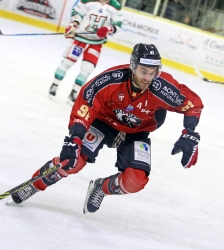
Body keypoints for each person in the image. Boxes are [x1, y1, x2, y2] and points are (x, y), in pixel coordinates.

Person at [11, 43, 203, 214]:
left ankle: (100, 188)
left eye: (153, 72)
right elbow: (86, 99)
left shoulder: (162, 87)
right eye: (144, 71)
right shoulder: (112, 79)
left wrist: (189, 132)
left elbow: (192, 104)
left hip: (138, 132)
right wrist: (75, 137)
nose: (148, 78)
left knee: (136, 181)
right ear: (133, 67)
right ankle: (35, 184)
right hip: (103, 123)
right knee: (72, 161)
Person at [49, 0, 122, 103]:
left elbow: (118, 24)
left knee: (88, 67)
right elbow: (77, 13)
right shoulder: (87, 0)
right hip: (80, 38)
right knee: (67, 62)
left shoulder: (115, 5)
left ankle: (75, 91)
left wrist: (108, 28)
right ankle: (55, 84)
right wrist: (73, 25)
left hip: (96, 43)